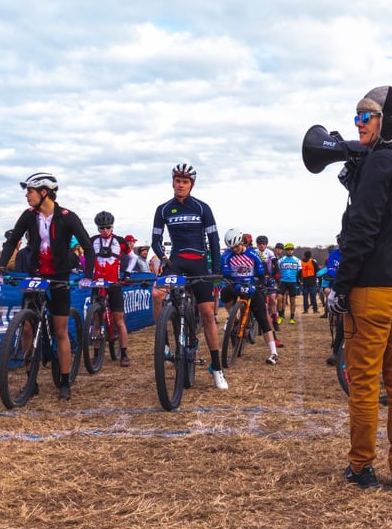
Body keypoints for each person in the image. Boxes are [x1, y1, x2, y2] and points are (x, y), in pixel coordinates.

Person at [329, 85, 392, 493]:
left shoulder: (380, 163)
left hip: (373, 291)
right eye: (356, 116)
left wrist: (342, 284)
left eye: (365, 116)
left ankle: (361, 466)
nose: (357, 124)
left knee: (365, 382)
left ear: (386, 120)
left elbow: (362, 230)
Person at [0, 173, 95, 400]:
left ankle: (63, 380)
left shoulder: (67, 216)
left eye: (30, 191)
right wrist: (1, 266)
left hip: (59, 276)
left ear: (44, 192)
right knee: (28, 328)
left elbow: (88, 248)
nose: (26, 195)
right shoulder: (29, 215)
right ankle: (31, 382)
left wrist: (87, 276)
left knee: (60, 330)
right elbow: (12, 241)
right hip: (36, 275)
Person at [150, 163, 229, 390]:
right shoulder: (163, 209)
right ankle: (164, 345)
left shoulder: (202, 208)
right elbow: (155, 239)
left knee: (206, 313)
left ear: (191, 184)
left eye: (185, 182)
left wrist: (216, 272)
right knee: (156, 294)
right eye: (178, 181)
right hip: (175, 262)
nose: (181, 185)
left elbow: (214, 240)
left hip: (199, 263)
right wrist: (164, 258)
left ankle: (217, 368)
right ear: (173, 182)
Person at [220, 228, 281, 365]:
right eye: (231, 247)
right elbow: (226, 275)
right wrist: (233, 284)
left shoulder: (254, 255)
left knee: (263, 318)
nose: (234, 249)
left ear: (242, 242)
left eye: (236, 246)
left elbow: (262, 275)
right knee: (224, 293)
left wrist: (259, 285)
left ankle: (273, 352)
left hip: (253, 287)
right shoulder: (226, 255)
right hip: (236, 285)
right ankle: (232, 318)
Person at [90, 210, 137, 367]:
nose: (105, 231)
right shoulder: (93, 241)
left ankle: (124, 354)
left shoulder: (120, 241)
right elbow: (84, 257)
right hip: (97, 284)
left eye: (108, 227)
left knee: (119, 320)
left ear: (112, 227)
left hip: (114, 284)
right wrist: (86, 273)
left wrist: (127, 274)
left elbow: (133, 257)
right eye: (101, 228)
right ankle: (96, 354)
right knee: (96, 321)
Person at [277, 243, 301, 324]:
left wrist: (299, 282)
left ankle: (292, 318)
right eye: (288, 250)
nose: (290, 251)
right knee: (279, 298)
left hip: (293, 282)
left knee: (292, 301)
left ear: (293, 250)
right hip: (283, 282)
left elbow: (300, 272)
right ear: (285, 250)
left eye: (291, 249)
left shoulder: (297, 260)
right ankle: (280, 316)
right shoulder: (281, 260)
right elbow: (278, 270)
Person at [300, 250, 320, 314]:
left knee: (305, 297)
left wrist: (300, 280)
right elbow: (318, 271)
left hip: (304, 282)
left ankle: (306, 310)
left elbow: (299, 272)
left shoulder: (301, 262)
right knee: (313, 297)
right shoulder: (313, 262)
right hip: (312, 282)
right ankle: (315, 310)